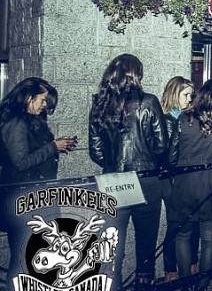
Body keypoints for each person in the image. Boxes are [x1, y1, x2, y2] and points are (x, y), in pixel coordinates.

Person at [89, 54, 167, 287]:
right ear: (136, 74)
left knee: (112, 245)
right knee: (146, 245)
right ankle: (144, 285)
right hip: (145, 180)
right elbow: (161, 144)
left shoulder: (100, 103)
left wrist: (113, 164)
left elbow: (95, 151)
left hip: (113, 180)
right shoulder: (149, 102)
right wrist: (148, 160)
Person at [0, 77, 76, 281]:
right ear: (27, 98)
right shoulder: (15, 123)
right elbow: (21, 162)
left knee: (35, 254)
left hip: (36, 196)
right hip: (23, 198)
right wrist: (53, 147)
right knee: (23, 257)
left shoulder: (30, 120)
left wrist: (55, 146)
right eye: (42, 100)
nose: (44, 105)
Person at [168, 79, 212, 290]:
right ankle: (202, 286)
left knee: (182, 236)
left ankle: (186, 284)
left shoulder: (184, 118)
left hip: (185, 182)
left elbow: (172, 156)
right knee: (208, 239)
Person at [159, 76, 197, 283]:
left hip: (182, 178)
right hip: (169, 179)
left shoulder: (183, 117)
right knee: (176, 226)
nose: (189, 99)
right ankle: (171, 272)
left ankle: (189, 266)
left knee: (188, 225)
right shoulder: (167, 119)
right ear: (174, 94)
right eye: (185, 95)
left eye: (191, 95)